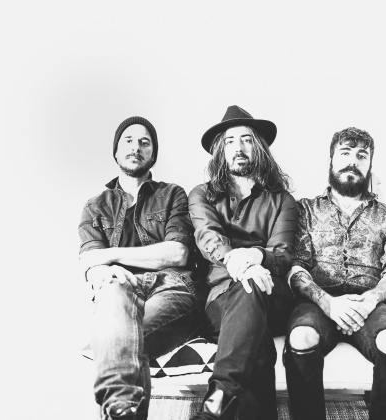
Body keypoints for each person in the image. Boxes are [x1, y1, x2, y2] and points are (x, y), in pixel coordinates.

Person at [78, 117, 205, 420]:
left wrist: (110, 255)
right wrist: (100, 272)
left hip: (171, 285)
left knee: (120, 342)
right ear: (116, 151)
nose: (136, 147)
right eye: (128, 140)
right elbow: (90, 262)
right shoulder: (95, 206)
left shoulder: (172, 194)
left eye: (144, 142)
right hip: (118, 288)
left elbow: (177, 253)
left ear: (153, 153)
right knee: (114, 302)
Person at [284, 127, 386, 420]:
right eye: (345, 153)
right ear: (331, 160)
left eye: (361, 155)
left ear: (370, 165)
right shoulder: (306, 209)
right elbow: (297, 268)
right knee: (301, 337)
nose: (353, 161)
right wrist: (329, 303)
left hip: (371, 304)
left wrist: (370, 300)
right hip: (317, 302)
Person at [188, 105, 298, 420]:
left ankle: (217, 403)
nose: (238, 147)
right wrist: (238, 260)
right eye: (230, 141)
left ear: (258, 147)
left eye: (247, 139)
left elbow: (283, 254)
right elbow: (208, 237)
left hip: (272, 293)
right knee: (258, 347)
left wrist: (257, 256)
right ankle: (219, 405)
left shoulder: (282, 200)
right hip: (220, 299)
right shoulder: (202, 195)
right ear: (220, 151)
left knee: (253, 286)